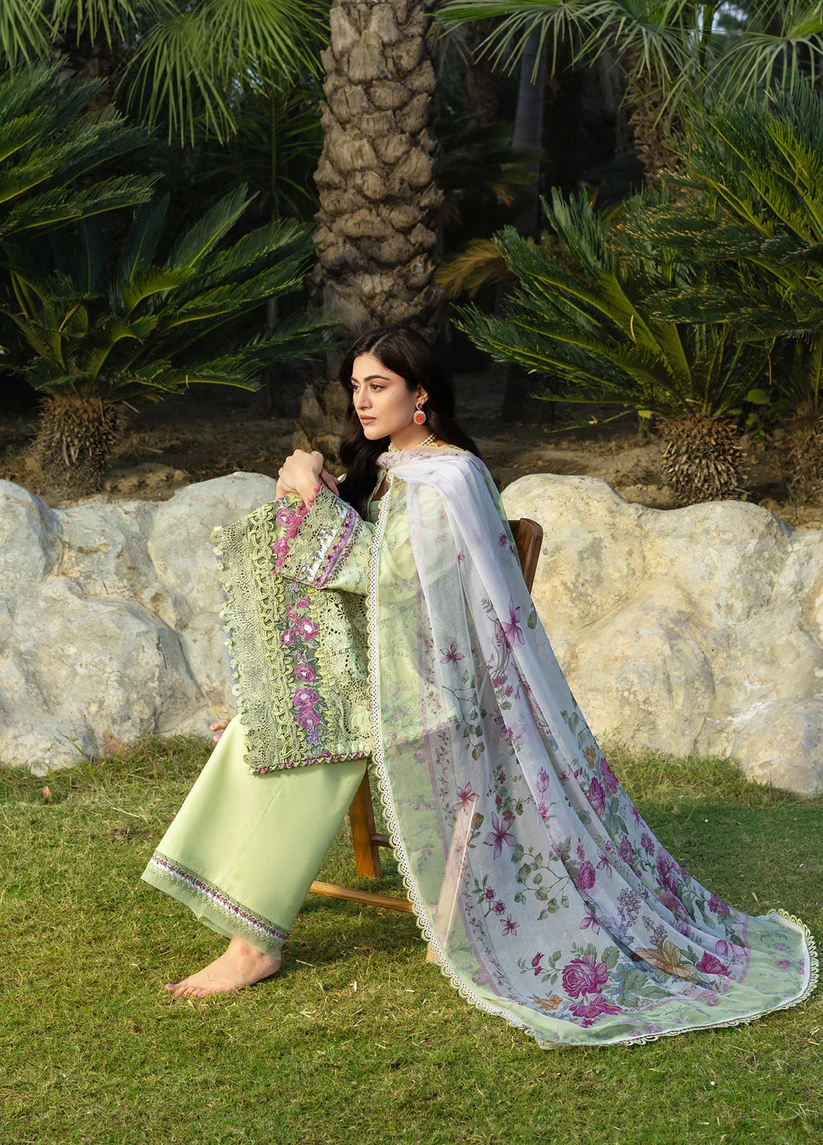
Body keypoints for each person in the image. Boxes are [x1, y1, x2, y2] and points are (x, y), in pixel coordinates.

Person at [141, 326, 817, 1046]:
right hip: (390, 667)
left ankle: (253, 943)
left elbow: (387, 577)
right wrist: (310, 468)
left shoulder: (451, 478)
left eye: (379, 386)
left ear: (420, 393)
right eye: (355, 387)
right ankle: (250, 928)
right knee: (274, 722)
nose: (362, 401)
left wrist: (309, 492)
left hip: (444, 686)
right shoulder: (393, 467)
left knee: (300, 733)